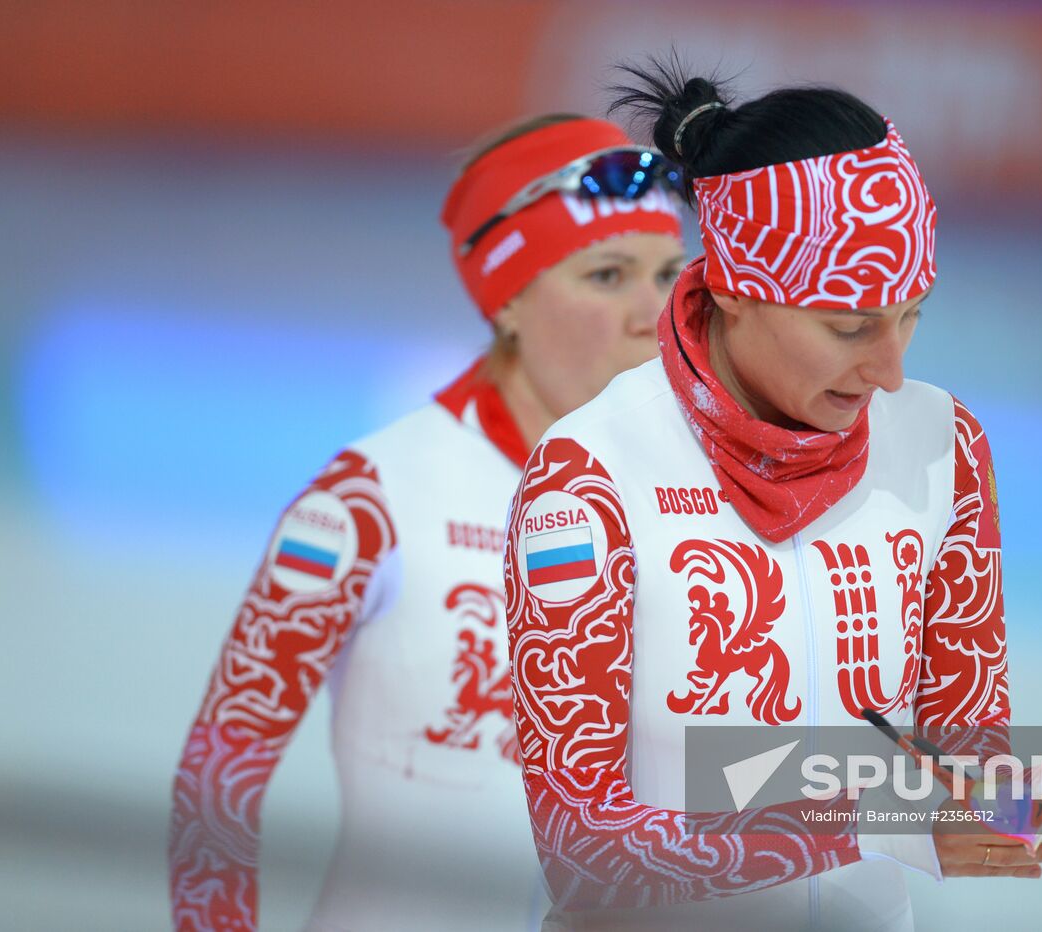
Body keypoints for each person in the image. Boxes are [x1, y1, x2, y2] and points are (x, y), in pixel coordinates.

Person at [503, 64, 1042, 931]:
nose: (891, 370)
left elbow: (958, 763)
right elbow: (580, 848)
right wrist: (878, 820)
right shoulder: (589, 476)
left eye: (912, 315)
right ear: (734, 289)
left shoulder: (944, 442)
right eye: (850, 326)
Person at [168, 114, 688, 932]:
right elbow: (221, 767)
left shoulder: (698, 502)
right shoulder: (369, 502)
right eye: (606, 276)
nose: (651, 315)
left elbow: (723, 774)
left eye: (668, 275)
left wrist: (875, 786)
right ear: (508, 301)